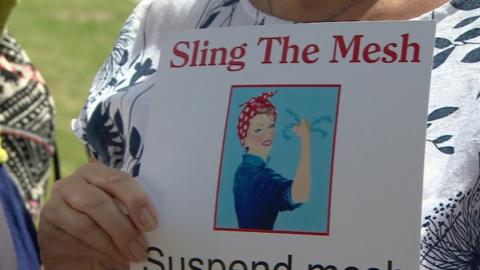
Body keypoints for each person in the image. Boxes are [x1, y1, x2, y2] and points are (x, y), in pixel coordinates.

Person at [39, 0, 480, 269]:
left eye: (271, 128)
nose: (268, 135)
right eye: (262, 128)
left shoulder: (466, 45)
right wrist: (80, 240)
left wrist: (307, 143)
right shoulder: (165, 21)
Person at [234, 91, 311, 229]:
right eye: (258, 130)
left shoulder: (242, 171)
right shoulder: (259, 177)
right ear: (244, 139)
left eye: (271, 126)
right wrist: (306, 140)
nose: (268, 134)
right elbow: (300, 194)